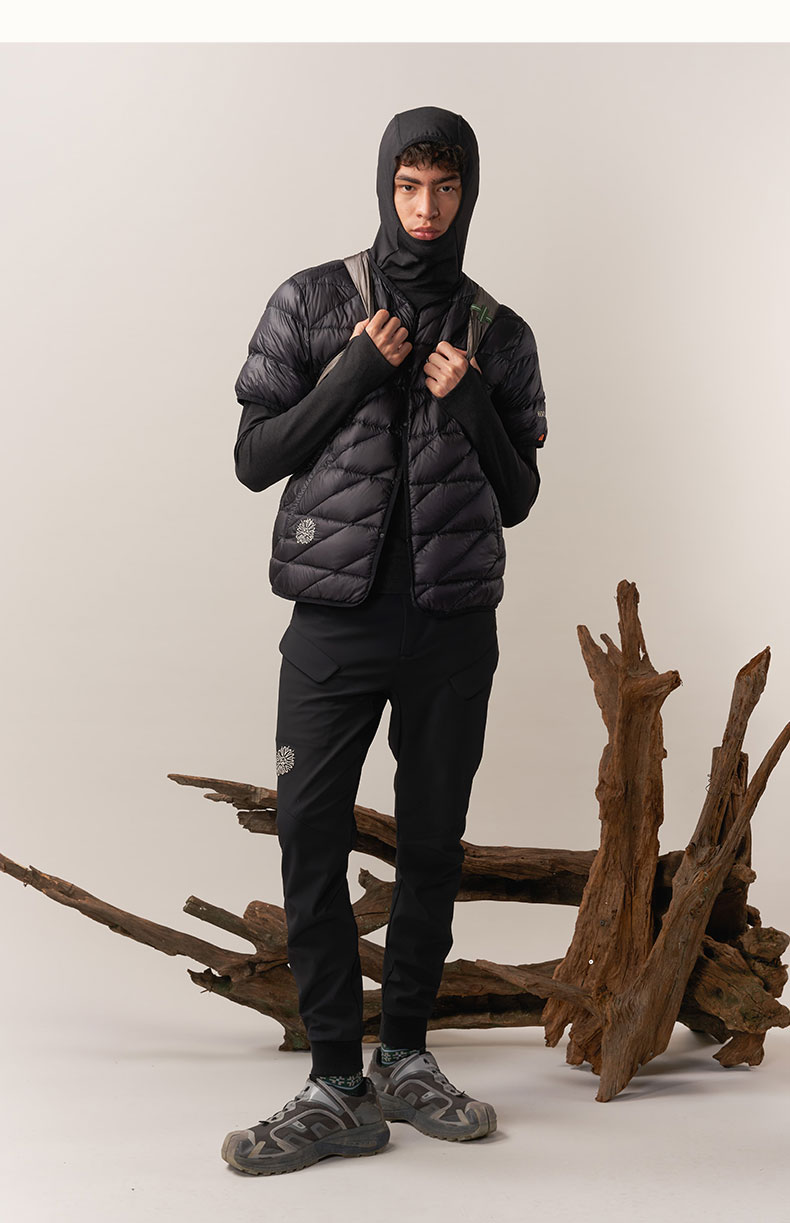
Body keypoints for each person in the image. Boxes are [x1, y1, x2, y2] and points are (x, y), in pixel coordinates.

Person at [221, 105, 547, 1176]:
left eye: (445, 189)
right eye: (409, 186)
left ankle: (405, 1054)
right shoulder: (312, 301)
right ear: (383, 186)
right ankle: (335, 1083)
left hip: (453, 627)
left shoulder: (499, 331)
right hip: (333, 622)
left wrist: (474, 405)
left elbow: (518, 496)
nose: (425, 208)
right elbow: (254, 458)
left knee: (433, 841)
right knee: (309, 831)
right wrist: (353, 373)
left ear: (468, 195)